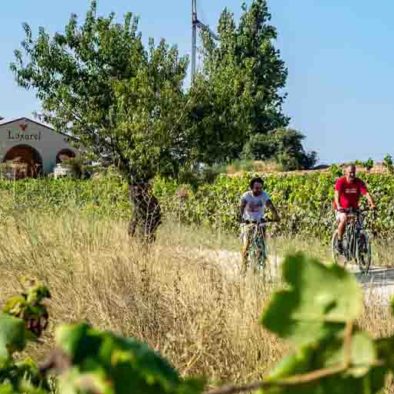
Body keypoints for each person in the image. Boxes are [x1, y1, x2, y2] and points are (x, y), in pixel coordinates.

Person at [239, 177, 280, 272]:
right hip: (248, 223)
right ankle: (243, 267)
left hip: (260, 223)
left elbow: (271, 206)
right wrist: (242, 219)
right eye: (257, 188)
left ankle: (261, 266)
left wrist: (276, 216)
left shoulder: (264, 195)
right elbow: (241, 207)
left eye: (261, 188)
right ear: (251, 188)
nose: (259, 190)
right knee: (247, 245)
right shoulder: (246, 196)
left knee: (262, 245)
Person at [334, 164, 376, 253]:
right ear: (345, 173)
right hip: (341, 209)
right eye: (350, 172)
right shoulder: (341, 181)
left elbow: (366, 194)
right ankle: (339, 241)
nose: (352, 174)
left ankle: (359, 246)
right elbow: (336, 195)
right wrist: (338, 206)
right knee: (344, 219)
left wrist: (372, 204)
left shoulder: (358, 182)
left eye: (353, 172)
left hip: (354, 209)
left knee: (360, 225)